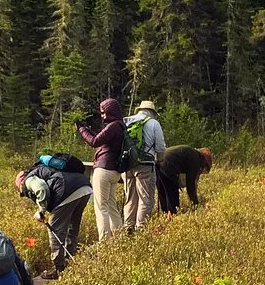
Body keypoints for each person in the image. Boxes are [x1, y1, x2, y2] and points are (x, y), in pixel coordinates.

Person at [16, 154, 91, 275]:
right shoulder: (45, 169)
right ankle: (69, 262)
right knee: (72, 227)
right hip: (84, 186)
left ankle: (59, 268)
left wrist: (41, 210)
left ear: (20, 183)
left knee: (55, 229)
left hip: (66, 189)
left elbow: (41, 189)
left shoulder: (28, 180)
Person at [77, 97, 125, 240]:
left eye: (104, 113)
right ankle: (119, 238)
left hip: (103, 170)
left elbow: (94, 141)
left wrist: (81, 130)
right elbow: (99, 139)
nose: (103, 116)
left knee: (101, 207)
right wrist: (87, 130)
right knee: (111, 206)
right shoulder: (121, 126)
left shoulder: (112, 126)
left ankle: (104, 242)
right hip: (114, 171)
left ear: (111, 112)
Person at [122, 99, 166, 233]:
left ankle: (128, 229)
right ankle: (140, 230)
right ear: (152, 112)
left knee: (130, 199)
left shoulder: (127, 121)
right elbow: (160, 146)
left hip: (127, 165)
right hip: (145, 165)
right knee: (146, 200)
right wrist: (159, 160)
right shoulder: (154, 123)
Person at [156, 145, 212, 215]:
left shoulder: (191, 153)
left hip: (156, 163)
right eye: (205, 168)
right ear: (204, 161)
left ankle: (165, 216)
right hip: (168, 166)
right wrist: (195, 204)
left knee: (163, 192)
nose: (202, 170)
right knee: (172, 196)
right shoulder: (195, 160)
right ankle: (172, 217)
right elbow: (190, 185)